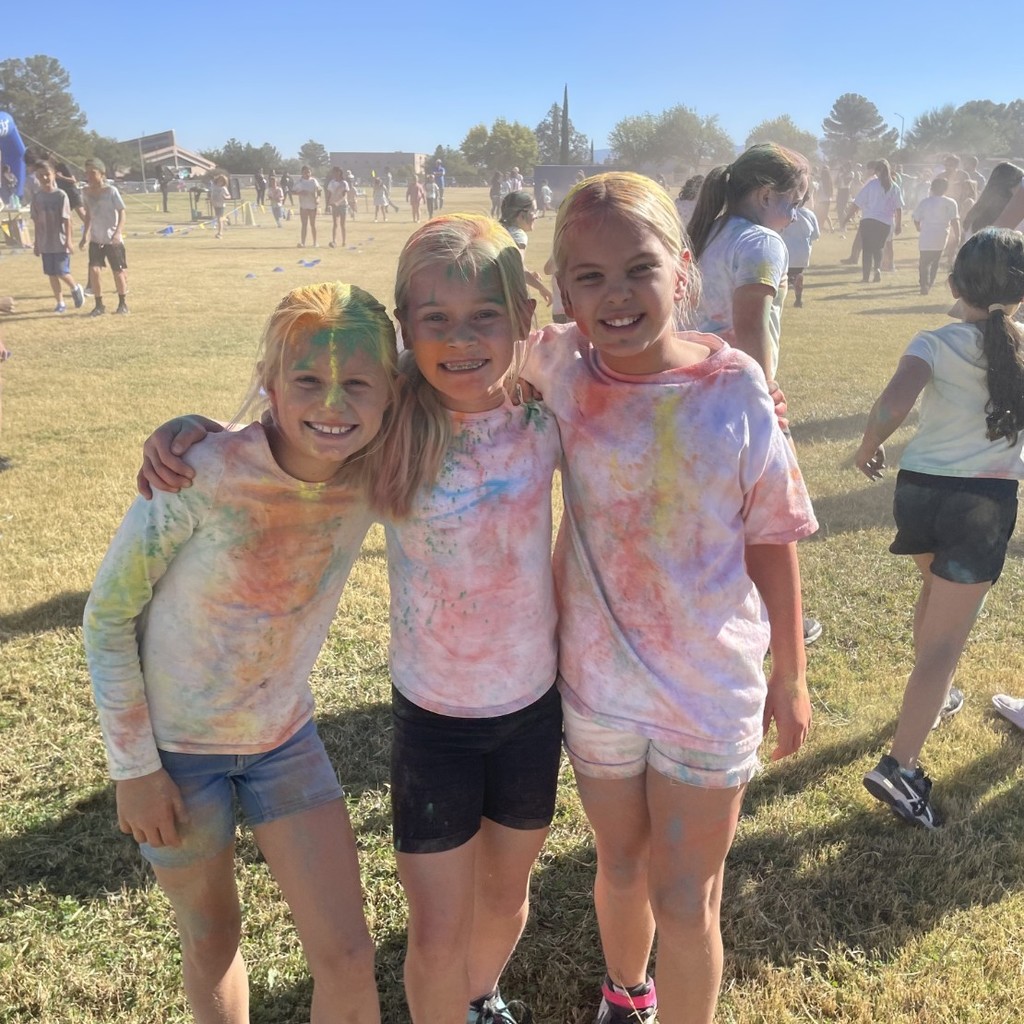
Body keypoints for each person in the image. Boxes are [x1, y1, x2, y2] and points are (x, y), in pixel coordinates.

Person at [137, 215, 564, 1024]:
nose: (461, 338)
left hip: (532, 709)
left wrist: (738, 371)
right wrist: (195, 435)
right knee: (435, 931)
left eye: (485, 317)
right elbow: (298, 430)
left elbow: (629, 371)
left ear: (522, 321)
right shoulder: (393, 421)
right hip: (433, 718)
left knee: (508, 900)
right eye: (434, 319)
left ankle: (480, 1000)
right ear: (407, 329)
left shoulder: (548, 405)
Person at [527, 171, 816, 1024]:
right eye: (590, 277)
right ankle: (626, 998)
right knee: (618, 865)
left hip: (708, 692)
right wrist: (211, 435)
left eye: (638, 269)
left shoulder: (736, 392)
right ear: (562, 289)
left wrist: (791, 673)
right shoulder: (555, 367)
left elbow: (772, 536)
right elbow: (438, 359)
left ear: (682, 270)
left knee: (685, 896)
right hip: (598, 686)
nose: (616, 296)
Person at [85, 281, 400, 1024]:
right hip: (174, 756)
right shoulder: (202, 471)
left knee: (350, 956)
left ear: (391, 395)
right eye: (306, 382)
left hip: (284, 742)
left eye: (357, 383)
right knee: (213, 938)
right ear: (269, 384)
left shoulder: (374, 474)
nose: (332, 404)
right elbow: (107, 617)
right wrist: (134, 771)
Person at [854, 229, 1024, 829]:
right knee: (946, 645)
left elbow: (895, 399)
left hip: (918, 492)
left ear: (953, 284)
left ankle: (933, 701)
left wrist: (868, 444)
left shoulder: (934, 339)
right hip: (982, 500)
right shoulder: (1021, 348)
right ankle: (900, 767)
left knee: (935, 593)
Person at [689, 143, 822, 646]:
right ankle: (770, 620)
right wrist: (763, 395)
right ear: (767, 194)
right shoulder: (761, 241)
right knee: (766, 523)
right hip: (736, 397)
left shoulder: (709, 232)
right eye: (795, 201)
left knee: (719, 514)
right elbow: (751, 327)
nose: (796, 214)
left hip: (695, 392)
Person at [30, 160, 84, 313]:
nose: (45, 178)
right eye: (41, 175)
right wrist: (36, 243)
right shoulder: (37, 197)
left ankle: (75, 287)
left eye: (47, 174)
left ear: (53, 175)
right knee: (51, 274)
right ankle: (60, 302)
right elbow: (36, 221)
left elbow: (67, 220)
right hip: (45, 242)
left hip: (59, 241)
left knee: (62, 272)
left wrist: (68, 241)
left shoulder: (61, 195)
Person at [79, 159, 129, 316]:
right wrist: (85, 235)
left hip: (112, 239)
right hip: (96, 239)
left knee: (118, 271)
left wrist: (117, 233)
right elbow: (88, 214)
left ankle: (122, 304)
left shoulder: (111, 191)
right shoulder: (85, 192)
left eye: (92, 172)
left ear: (101, 174)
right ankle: (99, 305)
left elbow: (122, 212)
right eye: (87, 173)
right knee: (94, 270)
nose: (89, 176)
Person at [851, 159, 903, 283]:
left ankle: (865, 276)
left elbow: (858, 201)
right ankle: (877, 269)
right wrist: (899, 225)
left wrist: (849, 216)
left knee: (867, 249)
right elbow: (899, 207)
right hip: (885, 222)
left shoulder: (872, 184)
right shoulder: (894, 187)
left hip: (869, 219)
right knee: (879, 247)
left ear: (877, 171)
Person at [499, 190, 553, 306]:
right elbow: (517, 266)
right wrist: (541, 288)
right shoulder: (518, 234)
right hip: (510, 298)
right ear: (521, 216)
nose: (536, 216)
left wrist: (528, 273)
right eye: (533, 211)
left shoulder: (499, 229)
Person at [913, 178, 959, 295]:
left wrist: (918, 228)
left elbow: (916, 218)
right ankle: (930, 283)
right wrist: (957, 235)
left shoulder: (925, 202)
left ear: (932, 188)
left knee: (923, 261)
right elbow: (955, 220)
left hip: (927, 233)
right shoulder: (950, 202)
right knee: (935, 260)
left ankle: (924, 284)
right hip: (941, 233)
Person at [964, 162, 1024, 237]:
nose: (1020, 189)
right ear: (1010, 185)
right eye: (1020, 184)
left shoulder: (976, 213)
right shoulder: (1009, 218)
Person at [781, 201, 820, 308]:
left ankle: (789, 284)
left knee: (783, 275)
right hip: (803, 251)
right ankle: (798, 299)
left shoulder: (784, 213)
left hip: (786, 249)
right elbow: (816, 235)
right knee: (797, 272)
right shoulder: (810, 214)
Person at [294, 165, 321, 247]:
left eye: (308, 172)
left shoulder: (314, 181)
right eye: (305, 172)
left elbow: (319, 191)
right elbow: (292, 191)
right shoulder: (299, 182)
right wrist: (300, 193)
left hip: (313, 205)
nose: (307, 174)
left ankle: (315, 242)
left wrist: (318, 199)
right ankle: (303, 242)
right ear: (302, 173)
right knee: (304, 225)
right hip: (304, 206)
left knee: (313, 224)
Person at [325, 167, 349, 247]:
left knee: (342, 224)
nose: (334, 174)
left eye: (335, 172)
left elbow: (345, 196)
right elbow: (329, 194)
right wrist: (327, 204)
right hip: (334, 205)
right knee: (335, 223)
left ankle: (344, 241)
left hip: (343, 205)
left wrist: (338, 202)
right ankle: (334, 241)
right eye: (333, 172)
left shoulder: (344, 183)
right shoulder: (331, 183)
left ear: (339, 172)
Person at [210, 174, 231, 239]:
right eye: (219, 181)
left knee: (219, 219)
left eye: (222, 181)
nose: (220, 182)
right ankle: (226, 219)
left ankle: (220, 233)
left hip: (221, 204)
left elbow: (229, 196)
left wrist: (225, 197)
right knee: (219, 218)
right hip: (215, 204)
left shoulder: (223, 188)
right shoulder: (214, 186)